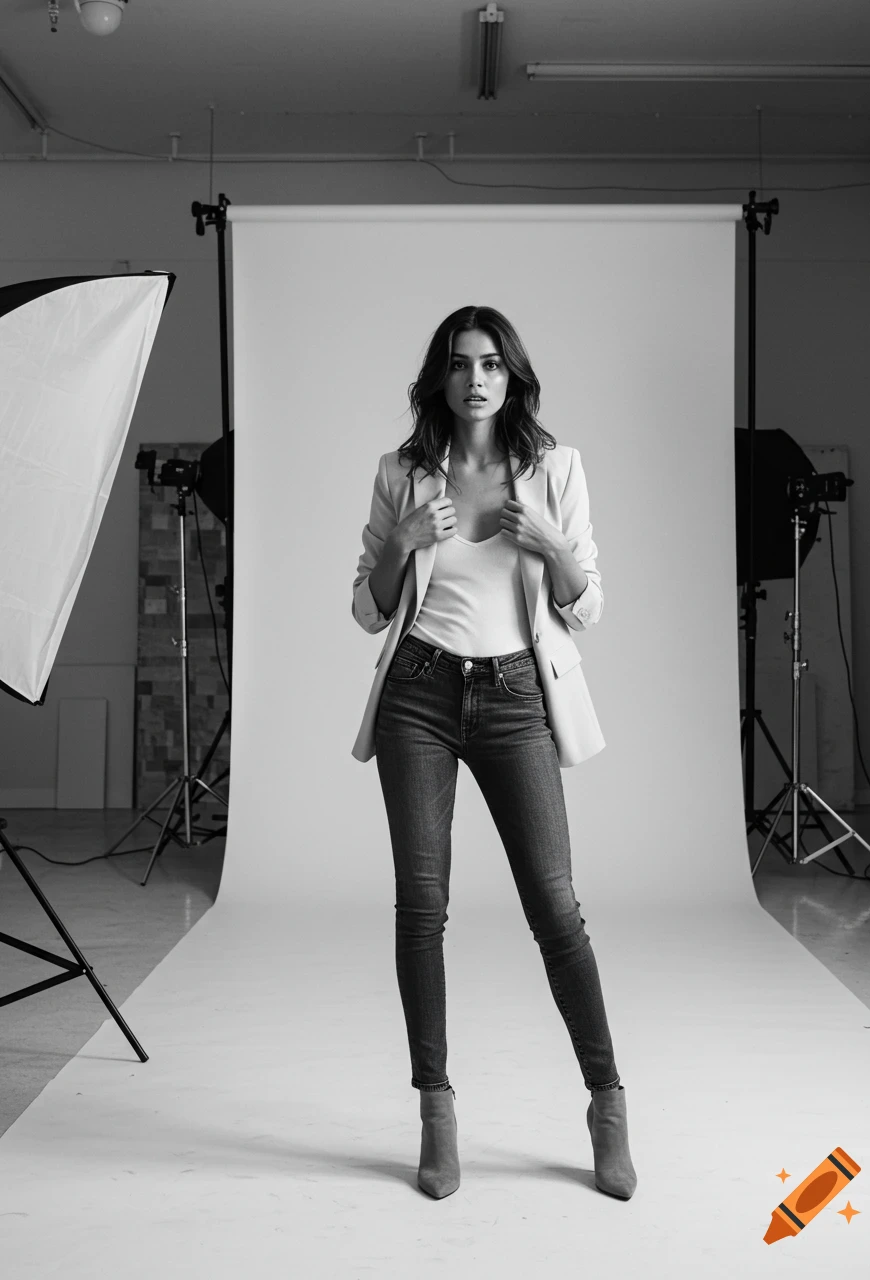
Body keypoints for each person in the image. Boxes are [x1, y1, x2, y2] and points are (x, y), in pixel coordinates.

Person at [351, 305, 636, 1202]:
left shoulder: (556, 470)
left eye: (492, 365)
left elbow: (586, 605)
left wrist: (553, 546)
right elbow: (368, 607)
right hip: (419, 697)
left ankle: (608, 1103)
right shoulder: (402, 474)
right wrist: (402, 541)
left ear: (513, 377)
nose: (476, 379)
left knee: (556, 908)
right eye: (460, 364)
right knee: (421, 907)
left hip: (516, 696)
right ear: (440, 377)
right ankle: (436, 1112)